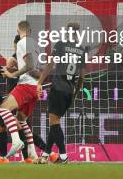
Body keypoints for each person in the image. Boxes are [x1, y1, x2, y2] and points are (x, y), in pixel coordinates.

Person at [36, 22, 86, 164]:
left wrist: (39, 82)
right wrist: (75, 92)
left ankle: (63, 156)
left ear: (67, 32)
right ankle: (46, 155)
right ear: (78, 32)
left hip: (58, 88)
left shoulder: (61, 45)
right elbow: (82, 76)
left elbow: (50, 64)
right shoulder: (81, 50)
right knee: (55, 122)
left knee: (54, 122)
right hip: (69, 91)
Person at [0, 20, 40, 161]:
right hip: (34, 86)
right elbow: (34, 67)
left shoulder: (23, 42)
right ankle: (32, 152)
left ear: (18, 30)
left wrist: (12, 74)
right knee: (21, 120)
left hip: (26, 85)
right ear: (30, 30)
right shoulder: (35, 43)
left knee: (3, 109)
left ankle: (16, 141)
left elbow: (29, 66)